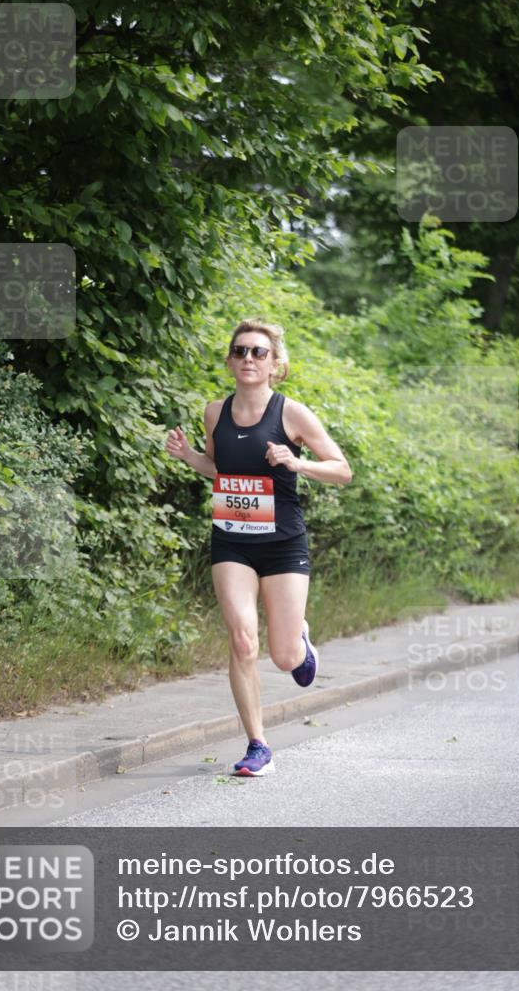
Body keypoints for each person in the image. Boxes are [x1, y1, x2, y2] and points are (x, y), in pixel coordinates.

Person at [165, 317, 352, 776]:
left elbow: (342, 469)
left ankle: (300, 642)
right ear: (230, 362)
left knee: (284, 656)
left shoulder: (292, 414)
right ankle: (258, 745)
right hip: (232, 542)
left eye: (259, 352)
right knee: (242, 639)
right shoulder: (215, 412)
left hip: (283, 544)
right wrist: (188, 456)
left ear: (275, 365)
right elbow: (220, 469)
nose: (249, 358)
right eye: (241, 351)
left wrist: (297, 462)